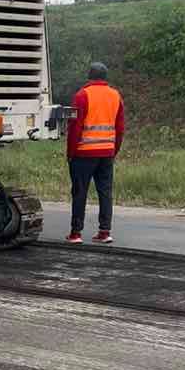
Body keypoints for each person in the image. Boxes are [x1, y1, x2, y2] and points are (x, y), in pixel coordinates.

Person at [66, 60, 125, 244]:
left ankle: (76, 233)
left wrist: (71, 151)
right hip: (107, 152)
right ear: (105, 77)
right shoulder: (116, 95)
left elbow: (74, 127)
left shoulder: (82, 95)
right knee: (105, 192)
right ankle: (105, 232)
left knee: (79, 192)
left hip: (83, 153)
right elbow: (120, 127)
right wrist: (114, 150)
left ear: (89, 76)